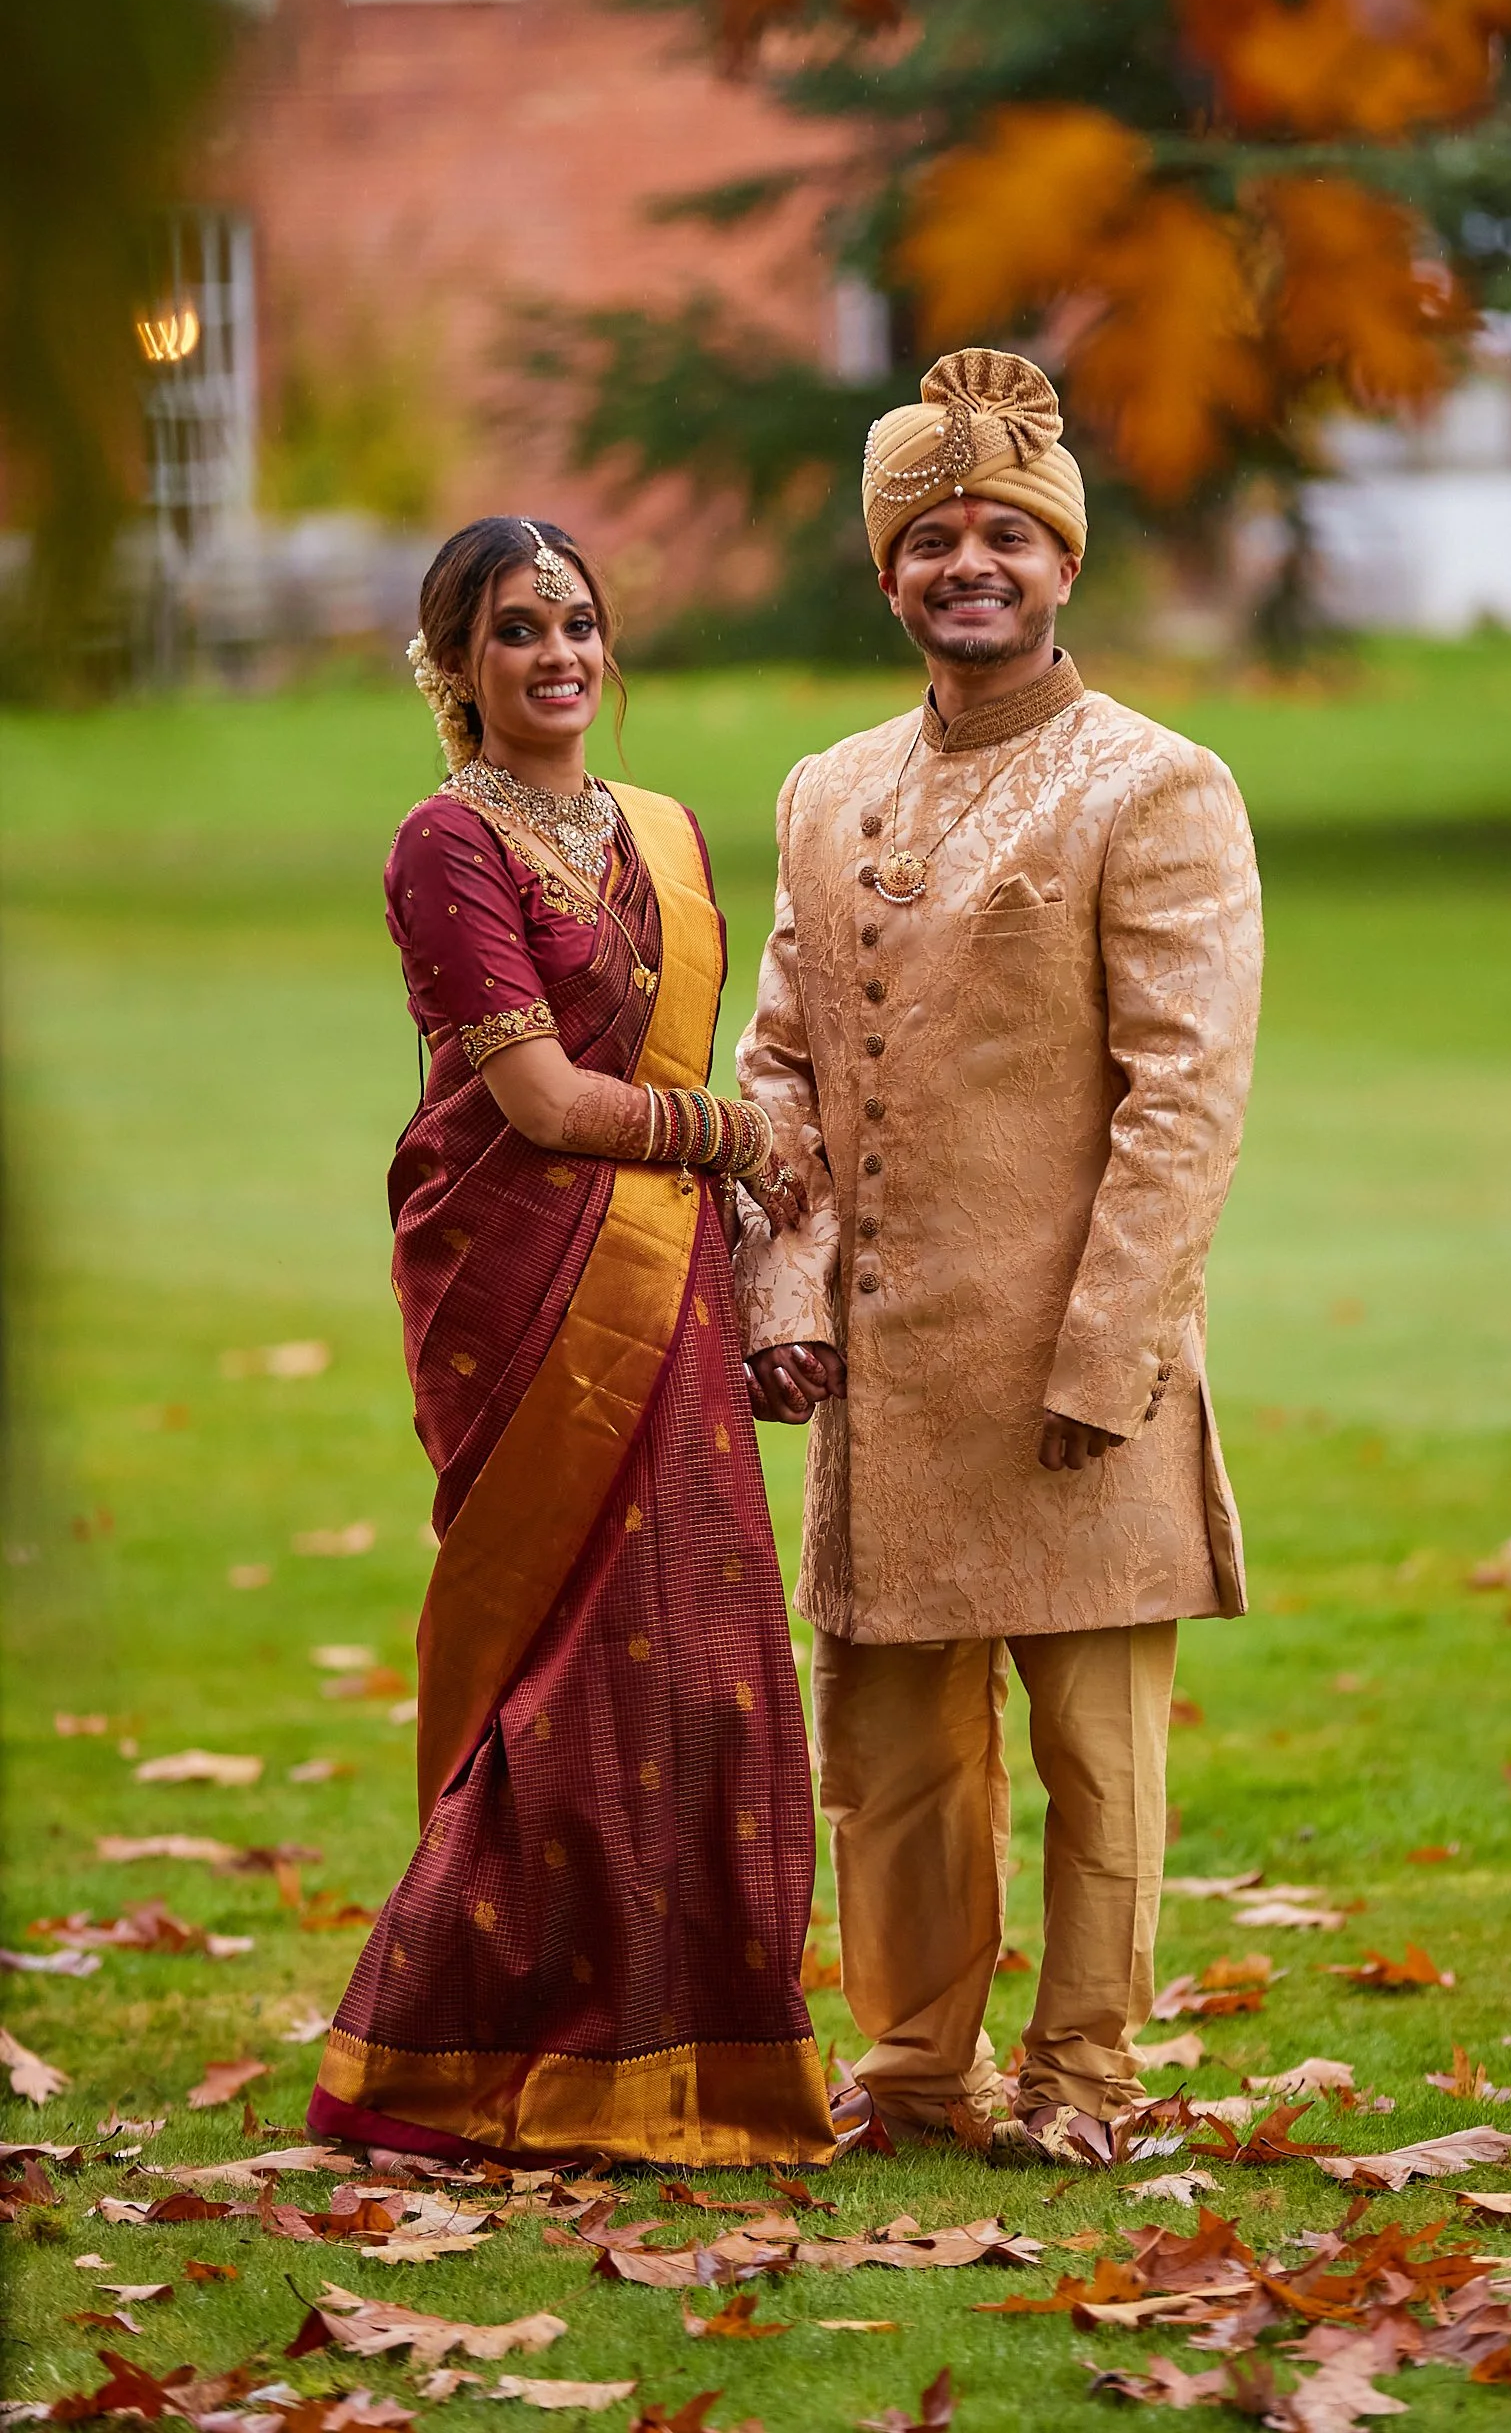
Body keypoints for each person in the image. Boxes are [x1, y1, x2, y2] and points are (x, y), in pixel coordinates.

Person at [734, 349, 1262, 2156]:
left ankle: (1086, 2083)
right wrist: (782, 1295)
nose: (973, 564)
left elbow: (1183, 1098)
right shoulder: (824, 789)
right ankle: (910, 2077)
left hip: (1073, 1377)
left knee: (1097, 1766)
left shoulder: (1159, 786)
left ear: (1064, 566)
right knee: (891, 1773)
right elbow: (779, 1068)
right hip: (886, 1382)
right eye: (935, 539)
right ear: (887, 577)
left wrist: (1110, 1357)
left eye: (1009, 537)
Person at [308, 515, 834, 2167]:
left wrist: (748, 1237)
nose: (558, 657)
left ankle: (698, 2065)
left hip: (663, 1274)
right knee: (564, 1672)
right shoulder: (442, 842)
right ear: (454, 669)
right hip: (518, 1277)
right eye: (517, 632)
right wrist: (737, 1138)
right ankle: (468, 2057)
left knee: (717, 1675)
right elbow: (534, 1104)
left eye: (579, 624)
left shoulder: (664, 833)